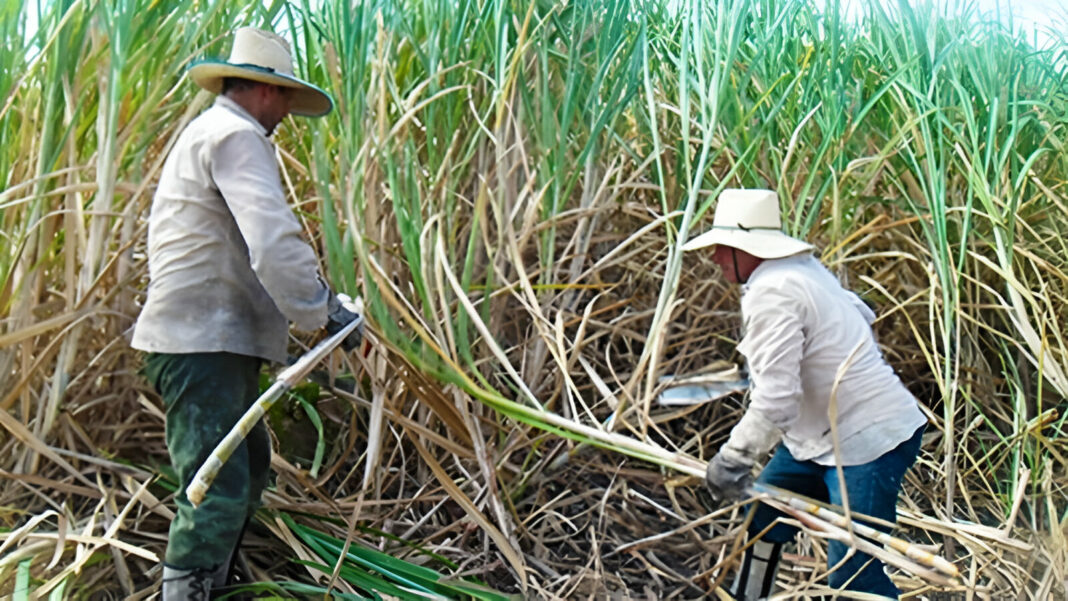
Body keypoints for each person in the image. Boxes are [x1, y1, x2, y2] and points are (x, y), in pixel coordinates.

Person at [130, 27, 362, 598]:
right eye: (283, 97)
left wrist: (317, 308)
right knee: (217, 488)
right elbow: (272, 239)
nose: (285, 110)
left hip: (209, 340)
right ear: (264, 92)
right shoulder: (236, 135)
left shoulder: (213, 132)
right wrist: (323, 311)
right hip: (200, 342)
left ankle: (216, 585)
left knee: (246, 470)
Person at [683, 189, 927, 600]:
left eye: (724, 248)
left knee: (855, 576)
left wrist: (733, 458)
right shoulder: (800, 270)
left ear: (748, 250)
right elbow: (855, 317)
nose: (716, 258)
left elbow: (777, 401)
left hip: (865, 441)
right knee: (761, 521)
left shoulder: (774, 290)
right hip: (813, 440)